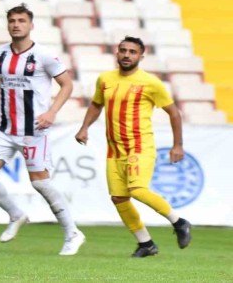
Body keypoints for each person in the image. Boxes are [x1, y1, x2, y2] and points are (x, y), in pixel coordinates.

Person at [0, 4, 86, 255]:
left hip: (33, 130)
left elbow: (67, 85)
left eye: (21, 20)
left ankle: (72, 233)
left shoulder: (44, 55)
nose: (16, 24)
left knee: (41, 184)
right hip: (4, 128)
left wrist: (52, 112)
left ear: (31, 25)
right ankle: (16, 214)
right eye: (12, 20)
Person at [75, 36, 192, 257]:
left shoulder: (151, 83)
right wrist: (84, 128)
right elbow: (96, 105)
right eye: (123, 50)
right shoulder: (105, 79)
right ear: (117, 53)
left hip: (140, 146)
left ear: (141, 57)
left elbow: (174, 113)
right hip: (114, 150)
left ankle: (179, 222)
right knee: (119, 198)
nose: (127, 55)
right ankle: (146, 244)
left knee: (137, 189)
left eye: (132, 52)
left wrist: (177, 145)